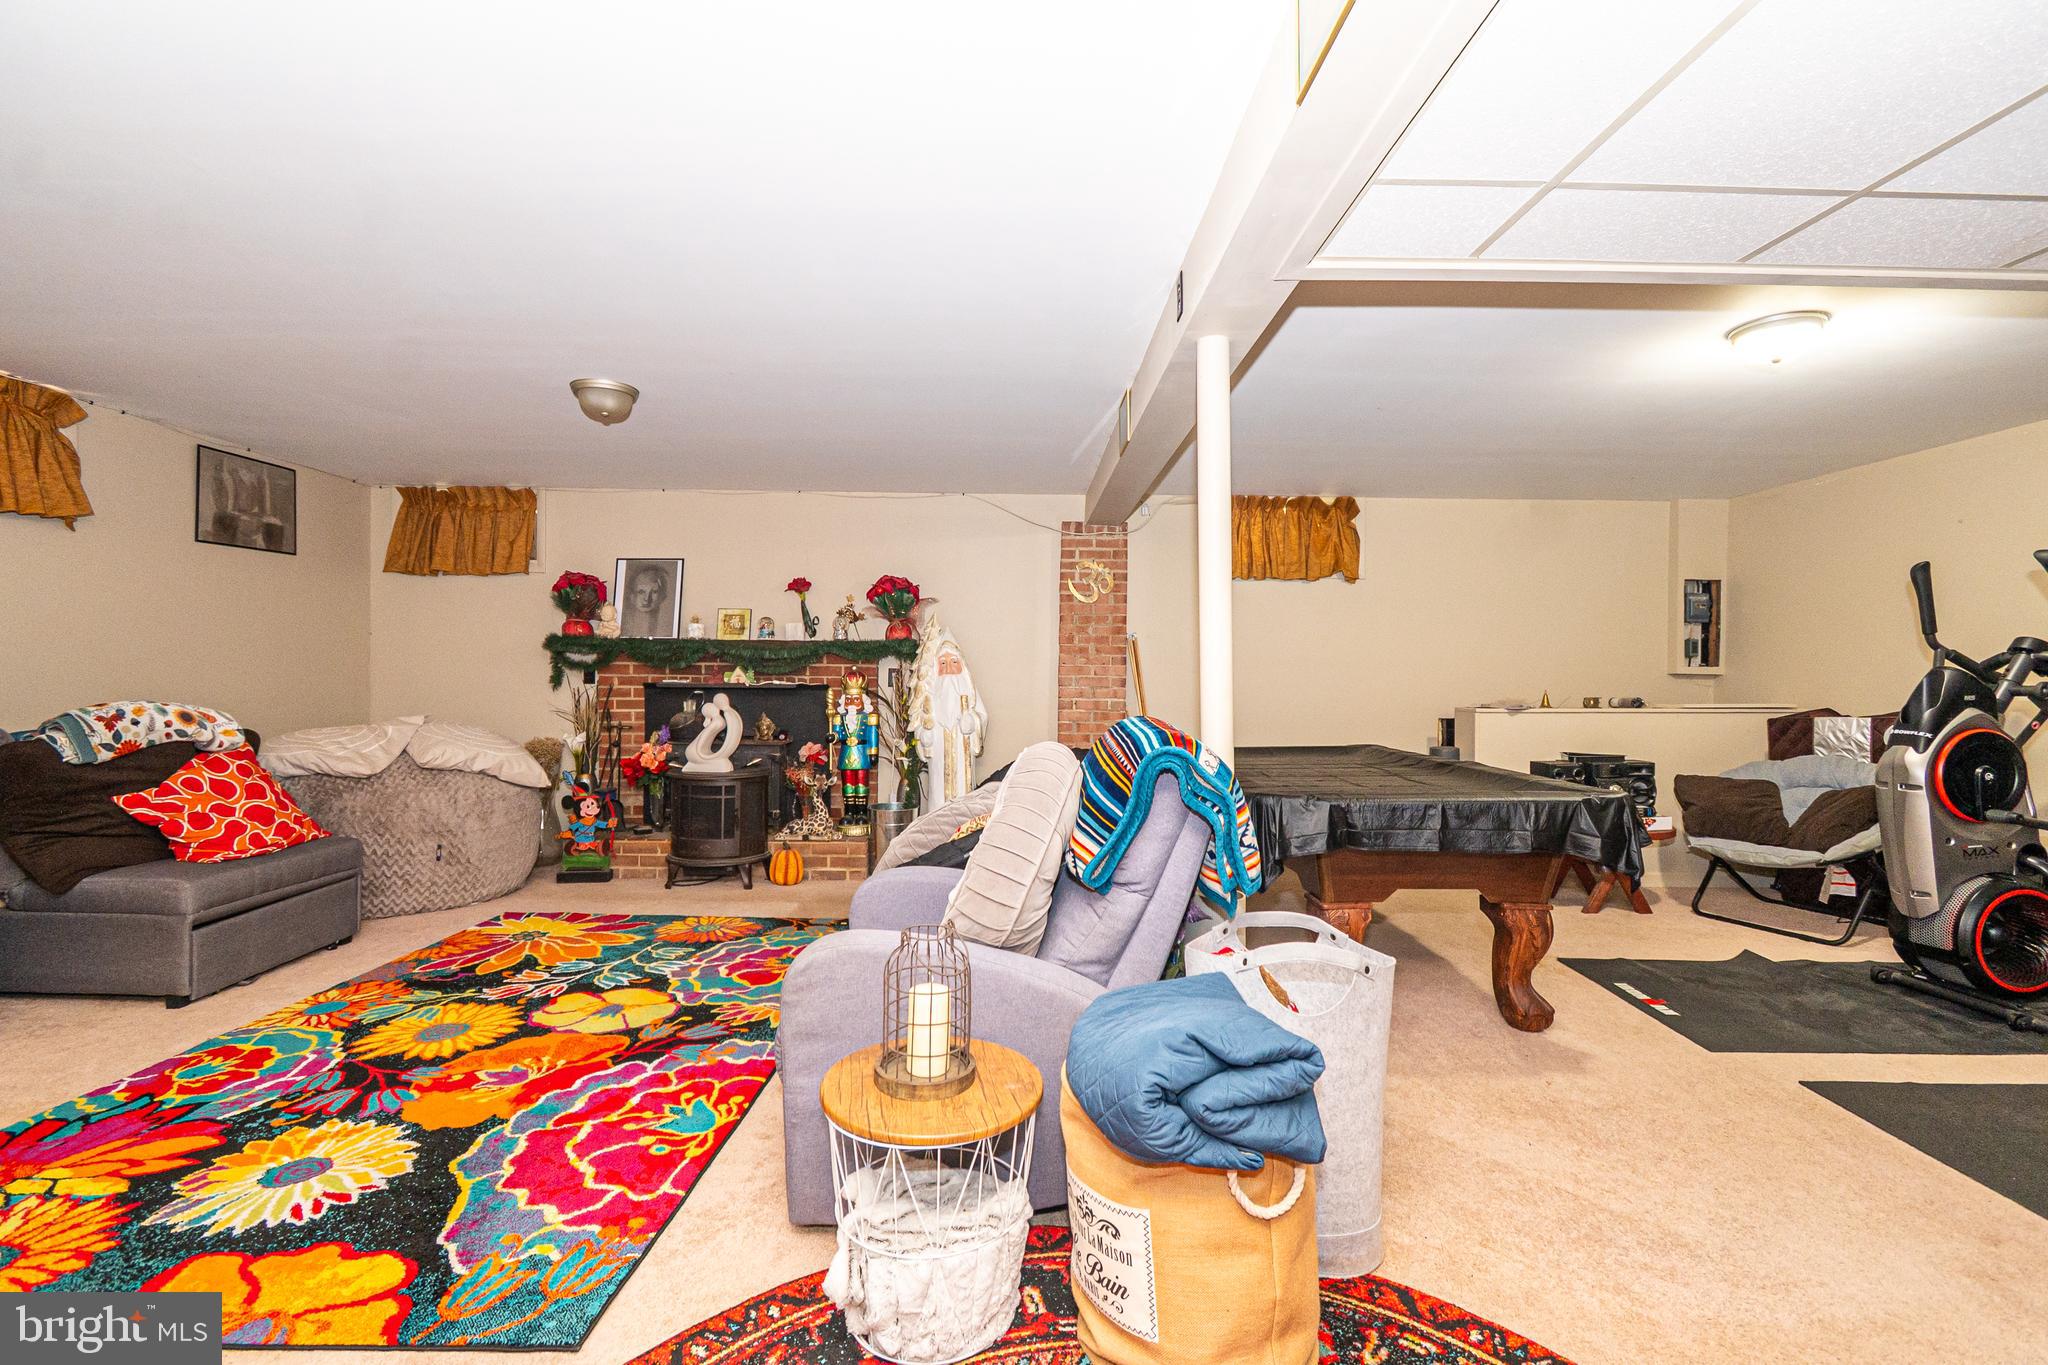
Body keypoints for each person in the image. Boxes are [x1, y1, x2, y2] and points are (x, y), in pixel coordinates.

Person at [907, 611, 986, 810]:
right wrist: (925, 736)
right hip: (939, 764)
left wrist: (973, 723)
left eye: (954, 663)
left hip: (962, 762)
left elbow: (982, 717)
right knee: (938, 801)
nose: (949, 669)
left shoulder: (970, 693)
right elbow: (922, 724)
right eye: (943, 664)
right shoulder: (930, 698)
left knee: (963, 802)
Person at [619, 562, 675, 636]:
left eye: (654, 592)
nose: (647, 598)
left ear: (662, 596)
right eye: (641, 592)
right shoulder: (621, 624)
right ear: (631, 595)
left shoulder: (666, 626)